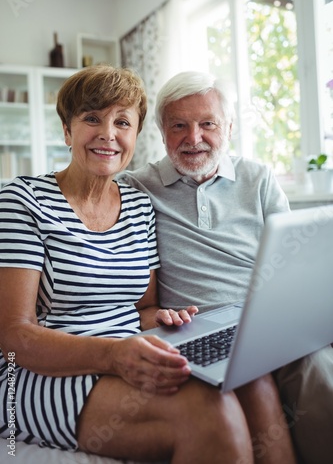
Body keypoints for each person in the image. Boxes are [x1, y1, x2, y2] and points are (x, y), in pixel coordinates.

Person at [0, 65, 296, 464]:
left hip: (131, 354)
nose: (108, 133)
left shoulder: (139, 206)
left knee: (254, 384)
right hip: (46, 371)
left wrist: (169, 319)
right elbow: (14, 335)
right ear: (67, 131)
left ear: (136, 137)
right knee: (211, 413)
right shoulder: (21, 200)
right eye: (91, 118)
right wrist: (113, 355)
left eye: (122, 122)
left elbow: (143, 310)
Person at [118, 70, 333, 464]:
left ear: (229, 127)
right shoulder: (136, 187)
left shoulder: (259, 178)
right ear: (162, 131)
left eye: (207, 124)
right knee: (269, 383)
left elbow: (297, 265)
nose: (194, 138)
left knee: (320, 373)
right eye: (179, 125)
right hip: (199, 330)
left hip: (270, 320)